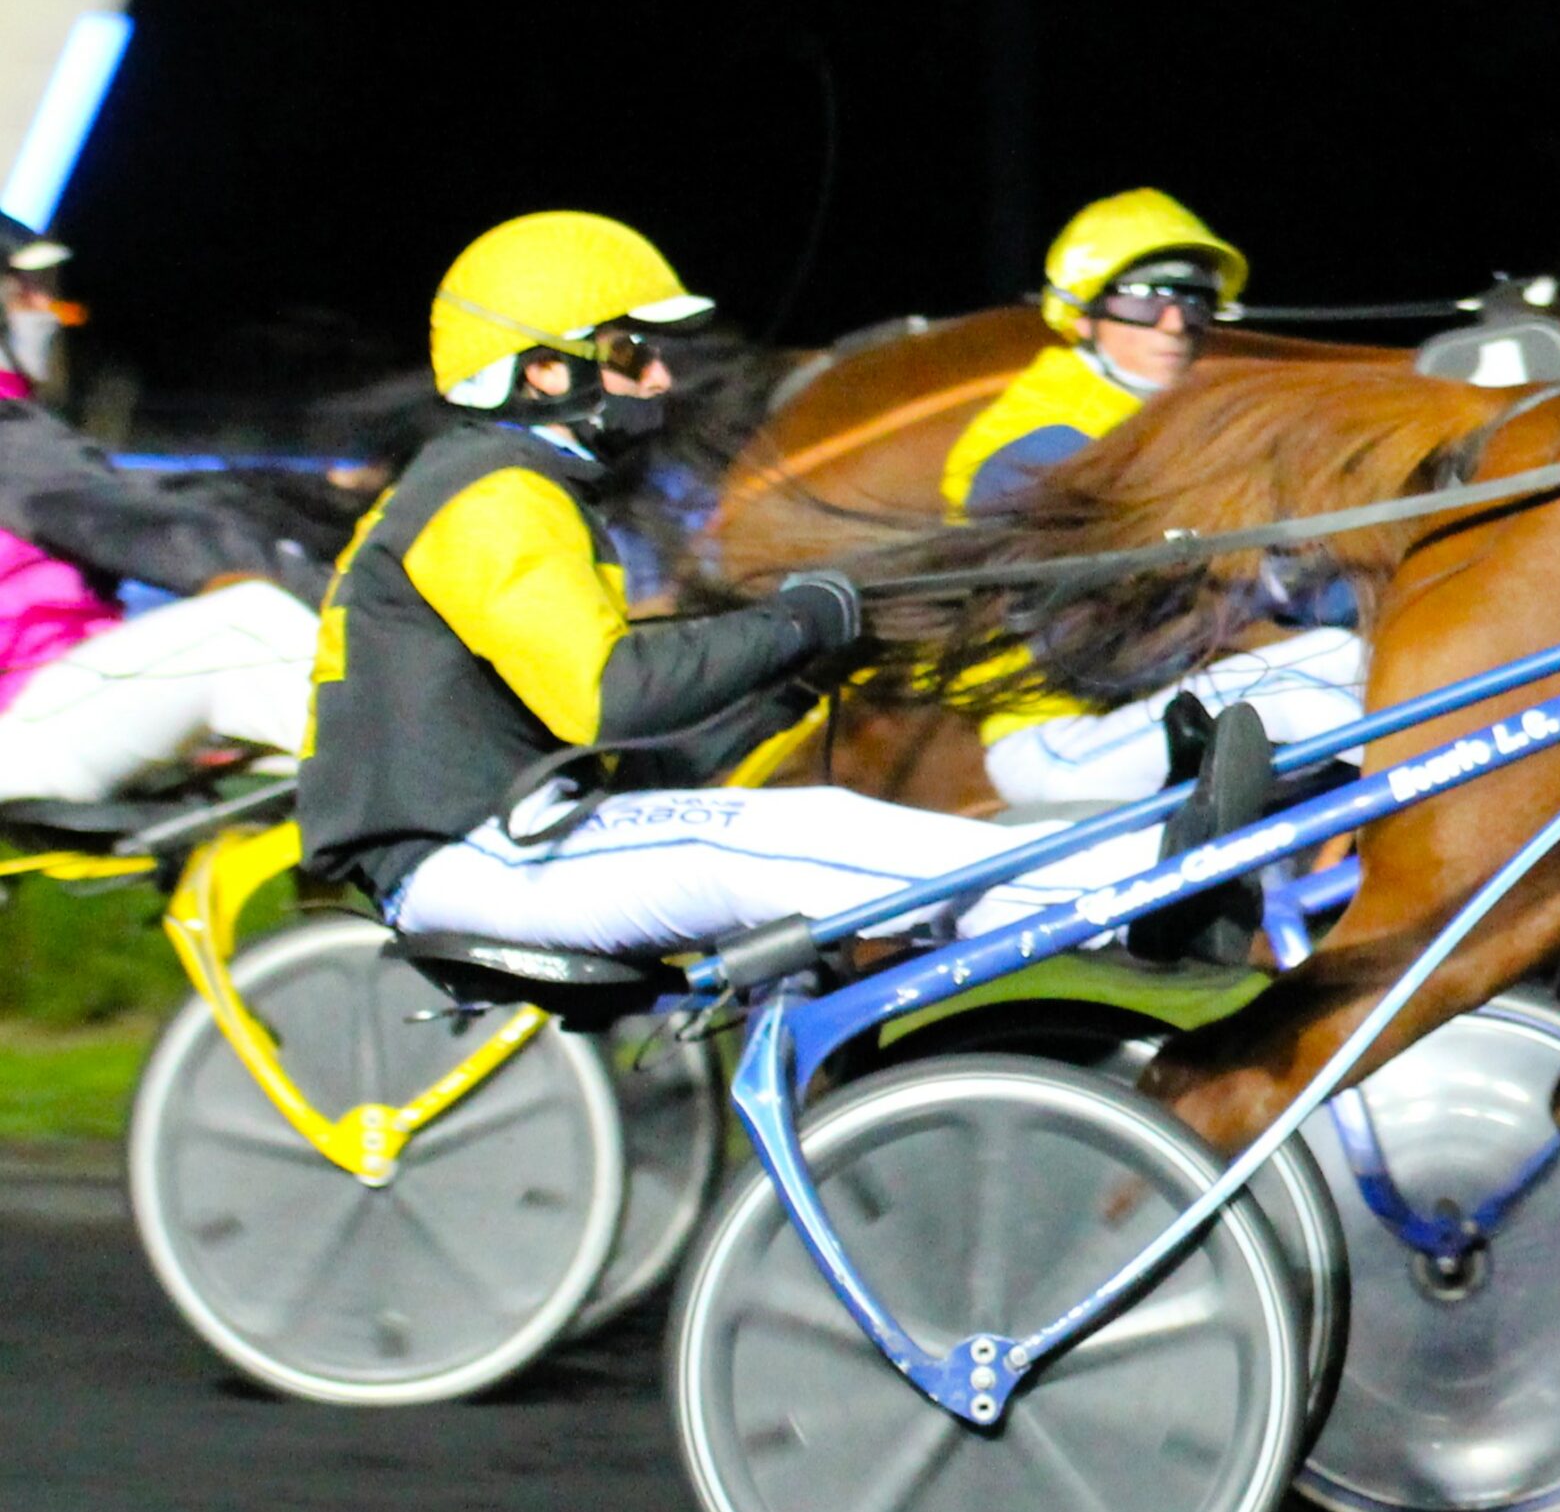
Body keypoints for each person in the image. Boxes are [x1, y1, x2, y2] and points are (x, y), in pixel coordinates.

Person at [302, 210, 1236, 955]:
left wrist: (800, 668)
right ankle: (1127, 899)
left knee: (810, 829)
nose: (659, 378)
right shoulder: (491, 497)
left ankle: (1119, 882)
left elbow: (637, 727)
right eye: (631, 354)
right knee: (782, 839)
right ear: (543, 370)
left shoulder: (516, 491)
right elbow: (613, 698)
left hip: (507, 834)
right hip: (471, 856)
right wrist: (800, 621)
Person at [941, 188, 1366, 811]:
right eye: (1145, 300)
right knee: (1306, 696)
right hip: (1060, 737)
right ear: (1081, 315)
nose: (1175, 324)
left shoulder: (1176, 423)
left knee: (1357, 657)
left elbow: (1306, 586)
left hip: (1155, 708)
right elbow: (1095, 654)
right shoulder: (1037, 443)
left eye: (1193, 301)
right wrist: (1263, 588)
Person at [0, 226, 331, 805]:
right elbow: (141, 527)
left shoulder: (19, 431)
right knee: (245, 627)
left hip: (42, 711)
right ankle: (454, 807)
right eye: (22, 288)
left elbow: (143, 496)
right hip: (21, 728)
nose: (44, 306)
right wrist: (341, 596)